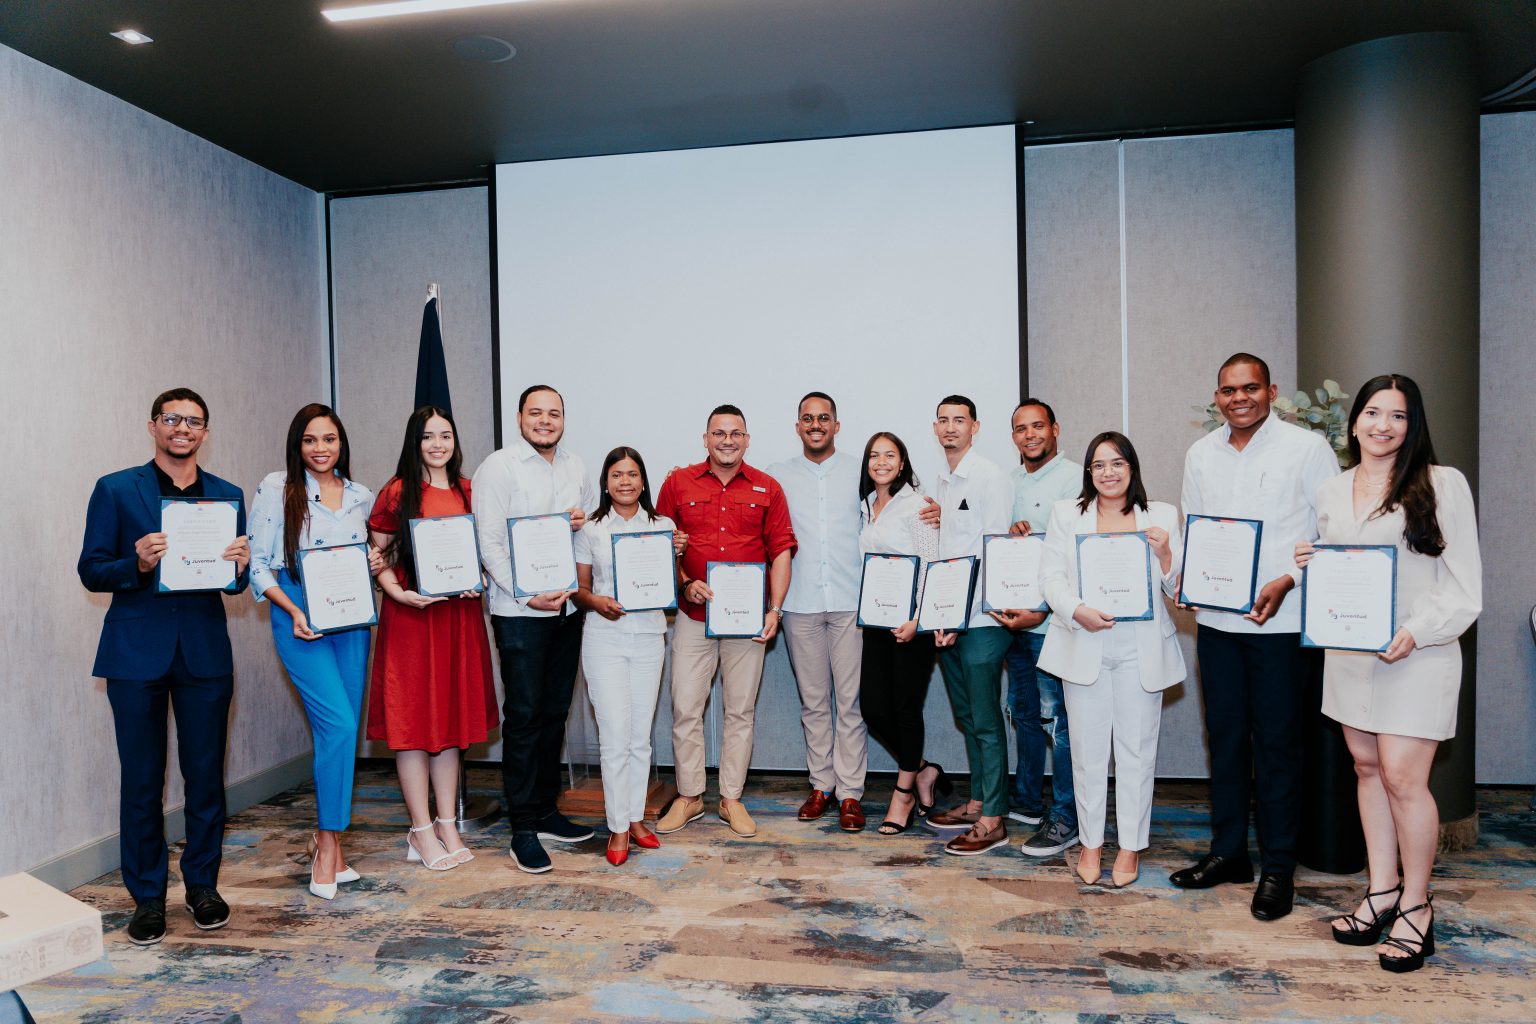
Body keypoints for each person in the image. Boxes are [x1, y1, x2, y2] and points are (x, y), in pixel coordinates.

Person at [1296, 374, 1480, 973]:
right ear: (1354, 423)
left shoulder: (1441, 484)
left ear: (1412, 425)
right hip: (1350, 657)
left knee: (1404, 779)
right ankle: (1381, 890)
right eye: (1373, 413)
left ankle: (1417, 905)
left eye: (1397, 416)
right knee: (1367, 769)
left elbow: (1464, 587)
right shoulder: (1332, 489)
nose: (1383, 425)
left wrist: (1417, 632)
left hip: (1417, 656)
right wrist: (1308, 564)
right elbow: (1339, 572)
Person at [77, 388, 250, 945]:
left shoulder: (227, 495)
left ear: (205, 431)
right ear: (153, 425)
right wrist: (137, 562)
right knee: (142, 780)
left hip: (203, 652)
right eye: (172, 419)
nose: (182, 428)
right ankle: (147, 897)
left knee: (205, 778)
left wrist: (241, 567)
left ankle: (202, 885)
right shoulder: (115, 488)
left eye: (193, 421)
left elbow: (234, 582)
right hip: (135, 654)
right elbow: (92, 569)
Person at [1172, 352, 1338, 921]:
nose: (1238, 398)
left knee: (1276, 745)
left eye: (1249, 388)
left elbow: (1332, 531)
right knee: (1224, 739)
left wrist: (1290, 578)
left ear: (1270, 390)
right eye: (1227, 390)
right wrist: (1189, 580)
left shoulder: (1307, 449)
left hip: (1279, 624)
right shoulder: (1200, 453)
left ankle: (1278, 867)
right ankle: (1228, 854)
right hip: (1216, 624)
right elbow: (1197, 528)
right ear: (1216, 397)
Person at [1038, 432, 1184, 888]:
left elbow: (1177, 589)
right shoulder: (1067, 514)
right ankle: (1090, 842)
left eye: (1117, 463)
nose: (1108, 473)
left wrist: (1165, 555)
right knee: (1086, 752)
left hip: (1141, 646)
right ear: (1088, 473)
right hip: (1085, 641)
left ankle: (1129, 846)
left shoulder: (1162, 515)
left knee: (1137, 751)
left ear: (1132, 468)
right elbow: (1050, 577)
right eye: (1098, 465)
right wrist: (1076, 609)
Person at [249, 404, 381, 899]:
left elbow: (371, 553)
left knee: (342, 733)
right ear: (296, 445)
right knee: (340, 726)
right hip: (298, 613)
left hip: (351, 619)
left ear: (341, 443)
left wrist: (375, 558)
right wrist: (292, 609)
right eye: (310, 440)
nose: (320, 449)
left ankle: (330, 842)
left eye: (329, 439)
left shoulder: (360, 496)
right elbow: (258, 565)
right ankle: (326, 845)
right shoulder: (276, 488)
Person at [653, 404, 797, 839]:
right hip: (694, 617)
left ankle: (730, 799)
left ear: (747, 439)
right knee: (685, 708)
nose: (727, 440)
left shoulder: (768, 487)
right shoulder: (677, 483)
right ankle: (691, 796)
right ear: (706, 438)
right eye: (719, 433)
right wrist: (684, 582)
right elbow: (659, 544)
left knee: (740, 711)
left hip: (747, 623)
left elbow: (782, 551)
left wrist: (775, 610)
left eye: (736, 433)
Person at [472, 386, 597, 873]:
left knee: (554, 712)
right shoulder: (498, 467)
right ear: (520, 417)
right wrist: (527, 595)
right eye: (536, 413)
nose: (545, 421)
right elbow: (489, 543)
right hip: (520, 613)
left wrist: (581, 523)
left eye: (555, 413)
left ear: (564, 419)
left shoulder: (576, 467)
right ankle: (522, 826)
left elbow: (583, 530)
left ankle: (546, 810)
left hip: (565, 609)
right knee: (524, 717)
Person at [368, 406, 498, 873]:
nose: (437, 444)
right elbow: (375, 554)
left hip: (458, 619)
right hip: (412, 620)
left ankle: (447, 823)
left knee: (449, 725)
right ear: (414, 443)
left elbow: (487, 552)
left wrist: (478, 576)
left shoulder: (469, 490)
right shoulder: (397, 491)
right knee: (413, 723)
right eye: (427, 437)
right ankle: (420, 830)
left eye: (445, 435)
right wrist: (398, 593)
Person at [572, 447, 679, 866]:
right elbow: (580, 590)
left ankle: (635, 818)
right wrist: (597, 602)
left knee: (639, 736)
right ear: (605, 482)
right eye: (617, 475)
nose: (625, 482)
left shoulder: (664, 526)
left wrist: (678, 555)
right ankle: (617, 826)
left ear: (643, 481)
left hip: (650, 636)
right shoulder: (591, 529)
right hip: (604, 639)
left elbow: (671, 583)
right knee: (614, 735)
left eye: (633, 474)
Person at [768, 393, 869, 832]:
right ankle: (821, 786)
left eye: (823, 418)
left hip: (851, 601)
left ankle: (850, 793)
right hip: (800, 603)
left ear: (836, 425)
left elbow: (900, 508)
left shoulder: (861, 470)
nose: (815, 424)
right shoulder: (777, 476)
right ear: (797, 427)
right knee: (813, 703)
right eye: (807, 418)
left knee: (849, 703)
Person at [924, 395, 1016, 856]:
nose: (950, 427)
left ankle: (994, 819)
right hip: (948, 620)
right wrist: (941, 617)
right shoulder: (939, 480)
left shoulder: (989, 476)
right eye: (942, 420)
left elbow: (993, 552)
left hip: (981, 619)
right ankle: (978, 801)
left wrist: (958, 616)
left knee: (984, 719)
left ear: (975, 426)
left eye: (959, 420)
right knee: (967, 717)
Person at [993, 399, 1082, 858]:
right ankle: (1027, 802)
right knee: (1022, 713)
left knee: (1058, 722)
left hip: (1052, 623)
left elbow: (1075, 556)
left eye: (1037, 426)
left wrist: (1044, 610)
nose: (1029, 435)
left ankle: (1067, 816)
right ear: (1013, 437)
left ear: (1055, 429)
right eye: (1020, 429)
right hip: (1014, 622)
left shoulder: (1075, 480)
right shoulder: (1008, 482)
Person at [856, 431, 950, 835]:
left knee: (905, 709)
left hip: (912, 625)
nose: (881, 462)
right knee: (874, 709)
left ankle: (903, 792)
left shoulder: (918, 505)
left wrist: (917, 619)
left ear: (902, 461)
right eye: (874, 456)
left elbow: (931, 564)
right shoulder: (866, 506)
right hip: (876, 623)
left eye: (889, 455)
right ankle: (925, 770)